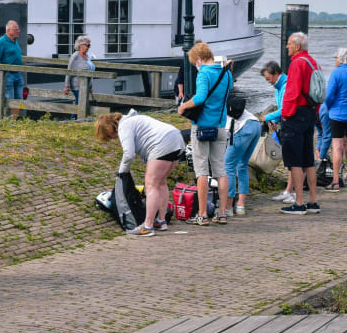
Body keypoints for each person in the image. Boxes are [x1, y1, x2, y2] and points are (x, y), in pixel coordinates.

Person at [95, 110, 184, 237]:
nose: (112, 138)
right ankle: (161, 220)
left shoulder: (124, 126)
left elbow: (129, 154)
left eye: (109, 136)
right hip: (176, 138)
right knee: (161, 183)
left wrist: (122, 172)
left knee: (151, 186)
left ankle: (147, 227)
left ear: (109, 128)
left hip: (162, 144)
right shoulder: (134, 119)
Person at [177, 42, 233, 225]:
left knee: (201, 171)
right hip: (220, 126)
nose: (196, 65)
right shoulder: (226, 73)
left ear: (199, 59)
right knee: (220, 170)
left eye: (195, 62)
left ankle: (202, 214)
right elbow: (229, 90)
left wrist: (183, 106)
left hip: (201, 126)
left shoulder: (203, 74)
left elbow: (200, 98)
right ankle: (222, 213)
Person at [278, 32, 321, 216]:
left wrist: (285, 115)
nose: (287, 47)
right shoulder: (312, 62)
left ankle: (299, 203)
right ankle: (313, 200)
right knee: (308, 159)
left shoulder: (297, 63)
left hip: (296, 115)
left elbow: (292, 92)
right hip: (310, 112)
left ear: (297, 46)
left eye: (289, 44)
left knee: (294, 161)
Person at [324, 47, 347, 191]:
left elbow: (329, 96)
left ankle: (336, 181)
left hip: (337, 114)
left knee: (337, 147)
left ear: (340, 58)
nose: (335, 60)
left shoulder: (336, 73)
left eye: (336, 57)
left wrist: (327, 107)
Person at [260, 61, 295, 204]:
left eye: (269, 79)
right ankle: (288, 190)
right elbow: (281, 110)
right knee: (289, 161)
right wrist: (276, 122)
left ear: (276, 73)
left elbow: (285, 109)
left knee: (293, 161)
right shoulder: (277, 88)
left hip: (293, 126)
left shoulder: (286, 85)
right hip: (285, 124)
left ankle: (291, 192)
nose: (268, 82)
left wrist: (266, 117)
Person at [224, 108, 261, 216]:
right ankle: (241, 205)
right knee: (242, 165)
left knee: (228, 166)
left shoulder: (214, 110)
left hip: (243, 128)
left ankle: (228, 207)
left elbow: (225, 134)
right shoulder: (225, 102)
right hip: (256, 124)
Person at [0, 20, 25, 119]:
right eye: (16, 29)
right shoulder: (2, 41)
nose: (18, 31)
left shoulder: (15, 41)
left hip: (18, 73)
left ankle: (13, 122)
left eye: (18, 29)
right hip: (8, 74)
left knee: (19, 99)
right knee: (8, 99)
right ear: (9, 30)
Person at [63, 35, 94, 104]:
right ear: (80, 45)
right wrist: (66, 86)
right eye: (87, 45)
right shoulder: (75, 56)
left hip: (86, 86)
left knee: (79, 105)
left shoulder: (87, 56)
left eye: (89, 45)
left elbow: (90, 71)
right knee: (80, 104)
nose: (89, 47)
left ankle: (74, 115)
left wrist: (91, 87)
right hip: (76, 86)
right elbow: (69, 71)